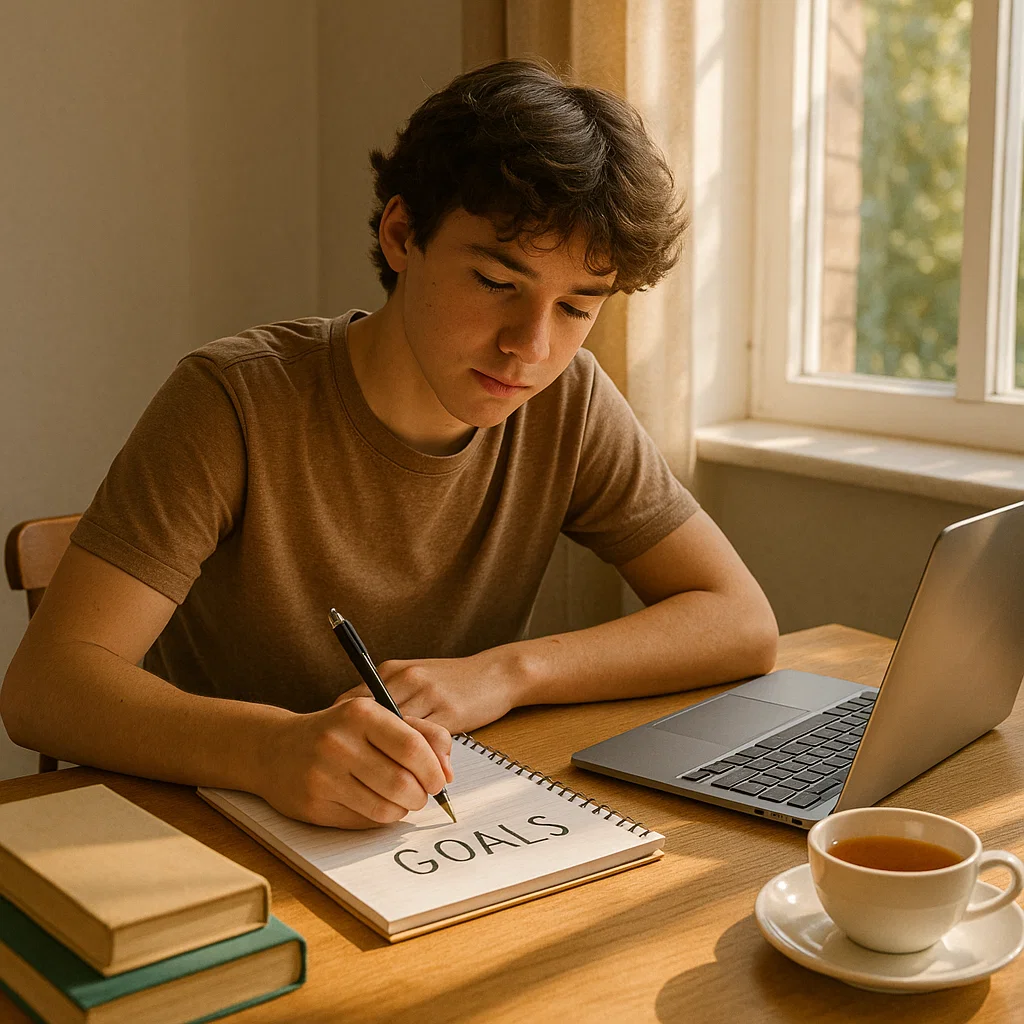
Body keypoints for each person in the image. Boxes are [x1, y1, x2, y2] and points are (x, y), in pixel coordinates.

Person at [1, 59, 777, 829]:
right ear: (403, 235)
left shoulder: (567, 401)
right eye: (497, 283)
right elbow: (45, 689)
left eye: (576, 308)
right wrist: (271, 750)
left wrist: (507, 673)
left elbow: (740, 621)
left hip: (421, 832)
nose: (531, 348)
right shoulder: (233, 400)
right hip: (212, 827)